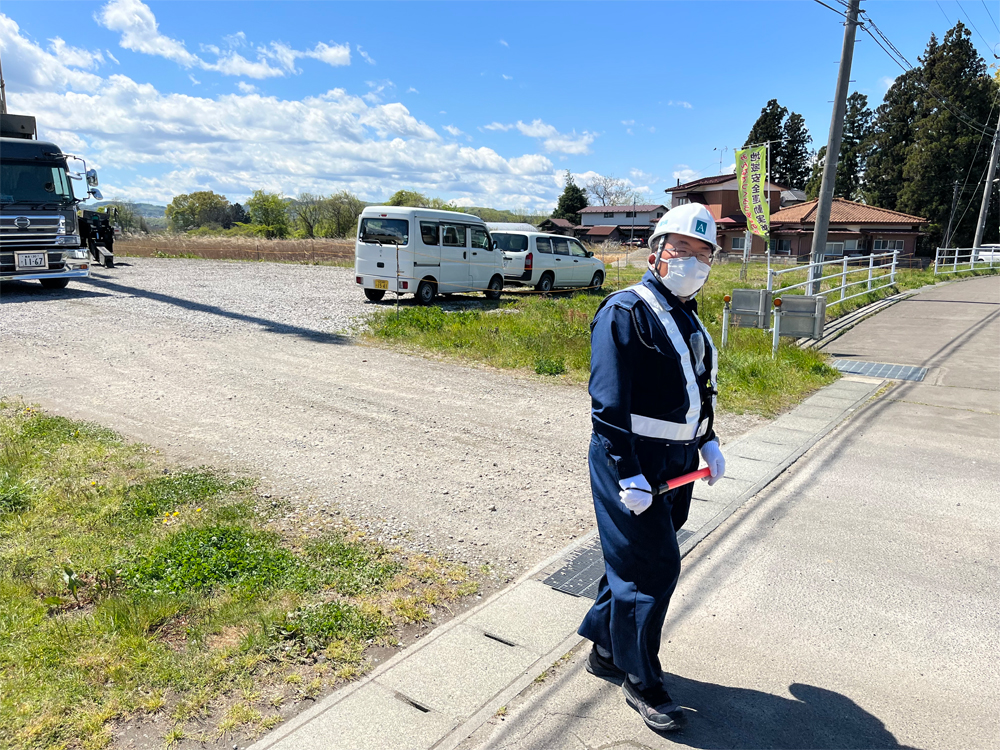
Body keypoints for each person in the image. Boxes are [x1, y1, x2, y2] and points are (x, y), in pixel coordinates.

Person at [578, 202, 726, 732]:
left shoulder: (686, 313)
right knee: (654, 569)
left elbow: (695, 390)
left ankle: (604, 647)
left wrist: (706, 441)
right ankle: (641, 679)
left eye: (704, 254)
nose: (694, 262)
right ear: (656, 253)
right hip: (634, 465)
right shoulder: (625, 312)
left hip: (677, 464)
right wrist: (627, 472)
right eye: (683, 250)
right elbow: (608, 405)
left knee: (634, 564)